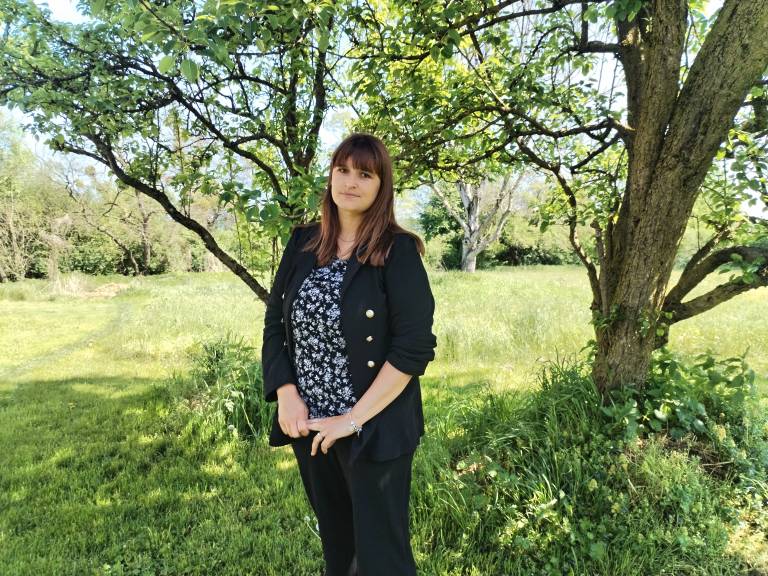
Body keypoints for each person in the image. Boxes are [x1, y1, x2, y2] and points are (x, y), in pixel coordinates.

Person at [261, 132, 438, 576]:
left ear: (382, 186)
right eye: (342, 170)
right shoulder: (303, 242)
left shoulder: (397, 251)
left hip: (373, 427)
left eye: (365, 174)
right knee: (339, 549)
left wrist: (352, 420)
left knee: (381, 557)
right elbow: (275, 325)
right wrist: (286, 393)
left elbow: (413, 348)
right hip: (311, 425)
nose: (351, 182)